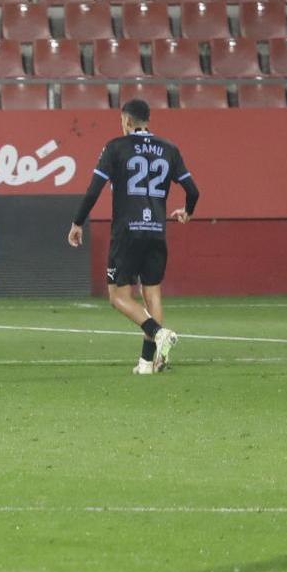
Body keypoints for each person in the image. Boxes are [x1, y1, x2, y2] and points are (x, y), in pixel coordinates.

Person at [67, 99, 199, 375]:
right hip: (156, 232)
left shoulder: (116, 147)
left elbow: (94, 190)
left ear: (126, 121)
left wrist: (78, 222)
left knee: (117, 296)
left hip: (127, 231)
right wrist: (187, 212)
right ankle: (149, 362)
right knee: (152, 292)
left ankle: (158, 332)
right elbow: (193, 191)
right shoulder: (169, 148)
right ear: (147, 120)